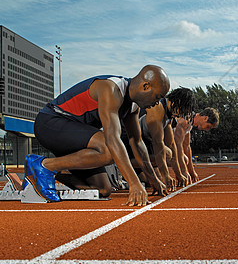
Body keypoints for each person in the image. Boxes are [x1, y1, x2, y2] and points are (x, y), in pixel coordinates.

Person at [25, 65, 170, 206]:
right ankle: (45, 166)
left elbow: (137, 142)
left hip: (74, 135)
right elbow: (112, 139)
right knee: (108, 150)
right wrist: (134, 183)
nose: (157, 103)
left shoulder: (133, 107)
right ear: (145, 86)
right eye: (157, 97)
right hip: (50, 122)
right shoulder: (111, 89)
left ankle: (43, 171)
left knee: (102, 190)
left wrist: (153, 179)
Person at [135, 87, 196, 188]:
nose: (183, 114)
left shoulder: (169, 116)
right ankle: (123, 167)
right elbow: (157, 143)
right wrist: (166, 175)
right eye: (184, 110)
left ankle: (137, 171)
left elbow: (171, 144)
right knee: (165, 155)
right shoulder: (158, 108)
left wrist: (179, 174)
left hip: (143, 143)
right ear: (179, 102)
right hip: (128, 141)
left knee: (168, 154)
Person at [173, 108, 219, 183]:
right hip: (153, 142)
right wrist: (183, 171)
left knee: (185, 159)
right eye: (208, 126)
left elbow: (187, 147)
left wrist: (192, 172)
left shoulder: (189, 125)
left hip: (159, 144)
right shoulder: (186, 119)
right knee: (180, 158)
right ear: (205, 118)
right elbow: (178, 145)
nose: (207, 130)